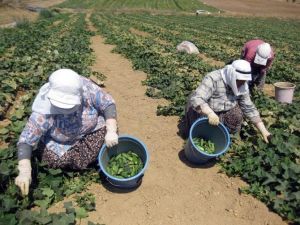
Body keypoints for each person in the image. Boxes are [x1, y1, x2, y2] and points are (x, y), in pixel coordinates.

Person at [15, 69, 119, 196]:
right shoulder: (43, 109)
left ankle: (96, 157)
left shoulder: (86, 87)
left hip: (91, 132)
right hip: (61, 144)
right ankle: (91, 160)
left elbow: (108, 104)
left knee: (105, 137)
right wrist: (24, 171)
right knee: (52, 159)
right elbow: (26, 140)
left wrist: (111, 130)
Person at [185, 59, 271, 142]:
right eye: (239, 80)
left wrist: (264, 131)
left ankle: (228, 137)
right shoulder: (213, 78)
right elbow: (197, 98)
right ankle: (199, 133)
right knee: (202, 130)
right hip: (206, 110)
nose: (241, 83)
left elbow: (248, 107)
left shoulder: (242, 85)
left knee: (237, 115)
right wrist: (210, 113)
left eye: (243, 81)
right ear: (231, 75)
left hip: (224, 111)